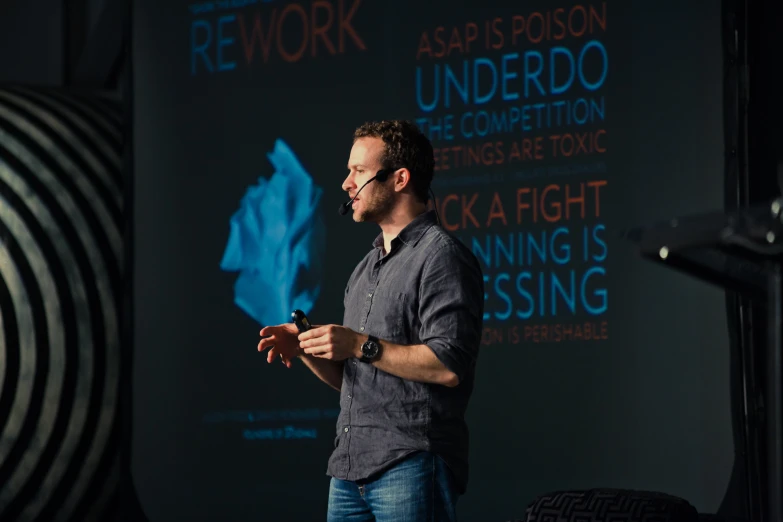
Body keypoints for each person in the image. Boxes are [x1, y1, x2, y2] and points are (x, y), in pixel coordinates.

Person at [257, 120, 484, 522]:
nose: (346, 183)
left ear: (399, 178)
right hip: (347, 472)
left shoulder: (440, 256)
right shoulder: (365, 269)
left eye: (358, 171)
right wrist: (309, 346)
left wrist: (358, 344)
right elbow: (357, 380)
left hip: (410, 464)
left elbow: (450, 366)